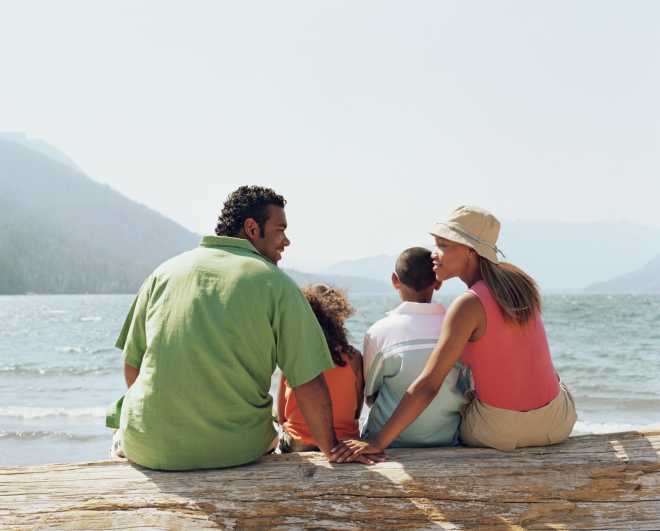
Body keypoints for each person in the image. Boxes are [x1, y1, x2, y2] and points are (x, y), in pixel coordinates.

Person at [106, 185, 382, 470]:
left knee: (119, 426)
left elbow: (132, 365)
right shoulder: (278, 285)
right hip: (237, 449)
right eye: (279, 230)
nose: (286, 241)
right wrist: (332, 448)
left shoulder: (163, 273)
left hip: (147, 447)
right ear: (251, 228)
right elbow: (308, 380)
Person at [331, 205, 577, 461]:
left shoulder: (467, 303)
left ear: (471, 250)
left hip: (496, 435)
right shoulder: (519, 282)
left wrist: (377, 441)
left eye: (442, 245)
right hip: (556, 425)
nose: (434, 255)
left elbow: (428, 386)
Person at [361, 247, 470, 448]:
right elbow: (470, 387)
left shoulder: (378, 333)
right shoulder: (459, 328)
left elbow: (370, 395)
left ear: (395, 280)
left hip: (388, 442)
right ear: (438, 283)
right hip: (446, 438)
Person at [276, 284, 364, 453]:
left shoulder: (291, 354)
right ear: (339, 317)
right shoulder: (354, 357)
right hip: (345, 444)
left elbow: (281, 417)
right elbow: (355, 413)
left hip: (299, 443)